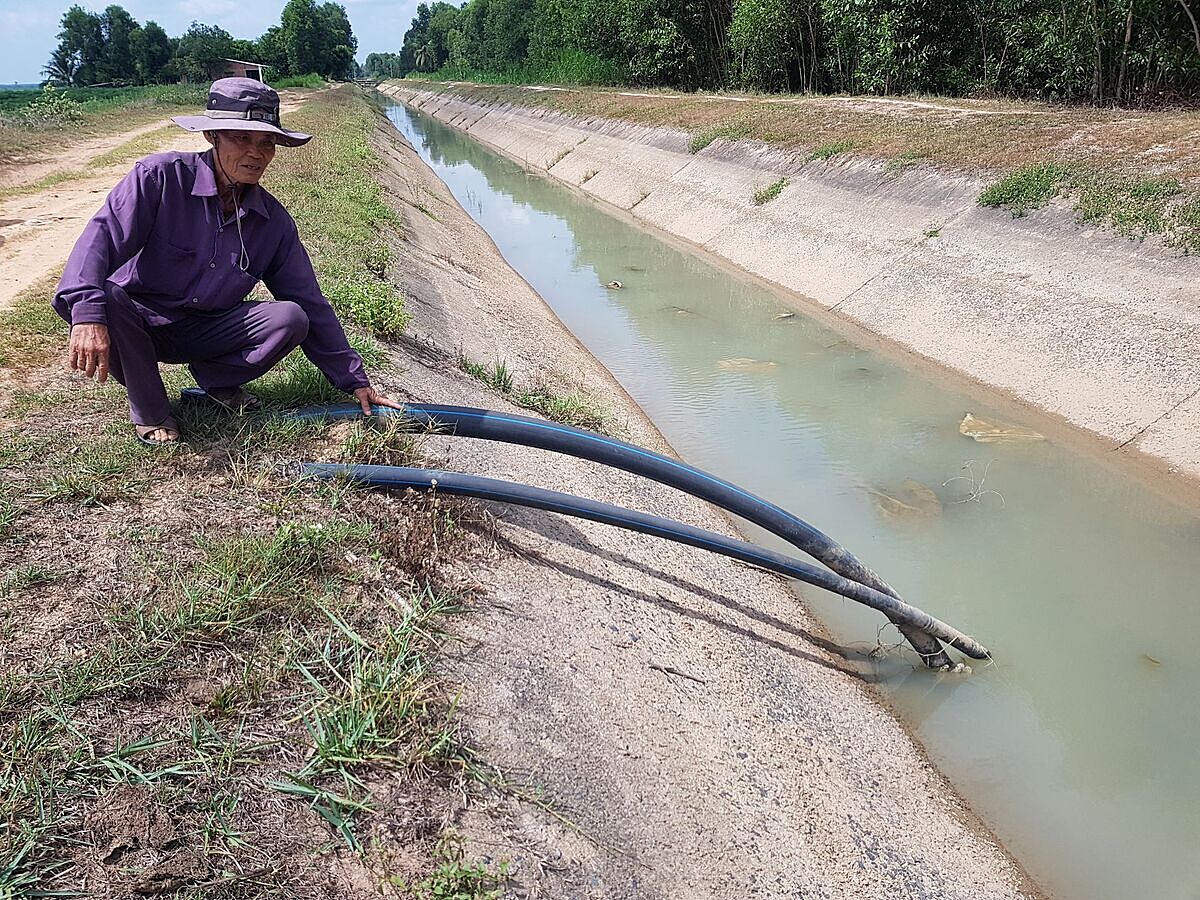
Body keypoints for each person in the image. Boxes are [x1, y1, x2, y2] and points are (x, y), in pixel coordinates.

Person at [52, 77, 401, 445]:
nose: (256, 153)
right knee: (105, 296)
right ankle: (151, 410)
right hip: (138, 327)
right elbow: (98, 242)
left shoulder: (273, 223)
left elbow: (309, 301)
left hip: (207, 331)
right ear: (212, 136)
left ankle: (217, 382)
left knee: (290, 317)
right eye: (241, 138)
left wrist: (353, 378)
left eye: (267, 143)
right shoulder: (159, 178)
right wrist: (87, 315)